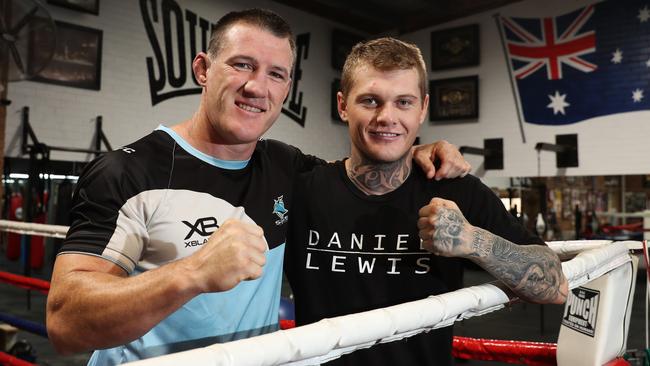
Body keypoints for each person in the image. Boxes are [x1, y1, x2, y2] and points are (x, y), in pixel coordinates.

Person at [45, 9, 469, 365]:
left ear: (286, 88)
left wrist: (412, 150)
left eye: (276, 74)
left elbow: (359, 173)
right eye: (241, 64)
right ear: (203, 69)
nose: (256, 87)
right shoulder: (128, 171)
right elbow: (65, 325)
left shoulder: (287, 166)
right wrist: (191, 273)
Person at [284, 37, 568, 366]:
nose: (386, 116)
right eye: (370, 101)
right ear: (343, 105)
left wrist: (475, 241)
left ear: (423, 109)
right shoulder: (303, 190)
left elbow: (555, 287)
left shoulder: (458, 192)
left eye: (404, 102)